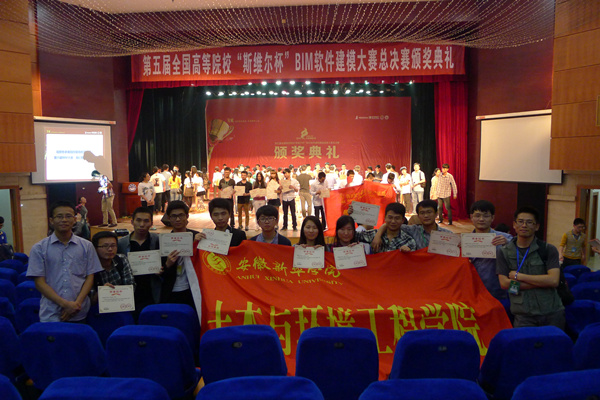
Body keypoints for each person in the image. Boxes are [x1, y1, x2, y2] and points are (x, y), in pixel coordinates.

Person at [27, 201, 103, 322]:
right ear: (51, 221)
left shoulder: (87, 246)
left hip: (80, 311)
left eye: (68, 216)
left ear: (75, 220)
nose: (64, 220)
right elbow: (39, 283)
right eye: (59, 216)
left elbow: (90, 277)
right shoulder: (39, 248)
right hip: (51, 313)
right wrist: (66, 305)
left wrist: (76, 304)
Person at [497, 206, 564, 329]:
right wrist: (542, 283)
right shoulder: (504, 252)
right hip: (523, 314)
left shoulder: (548, 249)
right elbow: (504, 284)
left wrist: (519, 276)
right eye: (520, 221)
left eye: (529, 222)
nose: (524, 225)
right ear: (514, 225)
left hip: (551, 311)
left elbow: (554, 281)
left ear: (537, 226)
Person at [117, 206, 162, 318]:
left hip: (152, 292)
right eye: (138, 220)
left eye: (146, 221)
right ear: (132, 222)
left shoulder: (158, 240)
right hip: (130, 294)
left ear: (151, 223)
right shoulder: (121, 244)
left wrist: (162, 270)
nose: (142, 224)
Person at [469, 200, 512, 300]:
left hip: (497, 293)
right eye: (477, 216)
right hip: (472, 292)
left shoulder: (506, 238)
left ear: (492, 218)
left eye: (486, 216)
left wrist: (508, 244)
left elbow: (520, 255)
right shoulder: (465, 241)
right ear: (471, 217)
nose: (481, 219)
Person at [161, 201, 199, 309]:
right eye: (174, 216)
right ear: (169, 218)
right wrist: (167, 265)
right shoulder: (163, 241)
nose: (177, 219)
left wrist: (195, 245)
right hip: (172, 290)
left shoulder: (197, 237)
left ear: (187, 216)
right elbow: (160, 272)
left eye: (181, 215)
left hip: (193, 289)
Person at [373, 200, 451, 251]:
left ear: (436, 214)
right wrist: (377, 236)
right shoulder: (413, 230)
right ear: (418, 215)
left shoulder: (447, 234)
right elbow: (390, 224)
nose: (426, 216)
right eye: (422, 213)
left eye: (429, 212)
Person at [349, 202, 416, 253]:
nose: (393, 221)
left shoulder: (408, 241)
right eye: (390, 217)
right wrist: (351, 216)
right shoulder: (373, 235)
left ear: (403, 220)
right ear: (385, 218)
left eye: (397, 218)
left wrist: (408, 251)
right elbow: (350, 235)